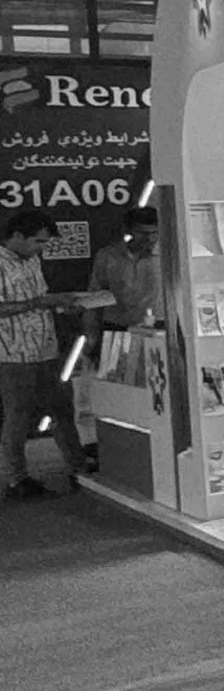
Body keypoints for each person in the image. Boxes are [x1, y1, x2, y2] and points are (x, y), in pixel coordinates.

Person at [1, 209, 84, 500]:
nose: (42, 248)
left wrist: (61, 305)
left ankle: (77, 468)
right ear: (17, 236)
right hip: (13, 355)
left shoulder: (33, 260)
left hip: (46, 349)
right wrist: (39, 303)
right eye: (38, 241)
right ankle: (17, 479)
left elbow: (41, 300)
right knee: (18, 416)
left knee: (62, 410)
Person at [86, 204, 162, 333]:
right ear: (127, 230)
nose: (149, 238)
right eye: (141, 233)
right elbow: (96, 294)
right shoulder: (108, 255)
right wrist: (90, 328)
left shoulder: (168, 256)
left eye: (154, 233)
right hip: (116, 325)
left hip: (158, 325)